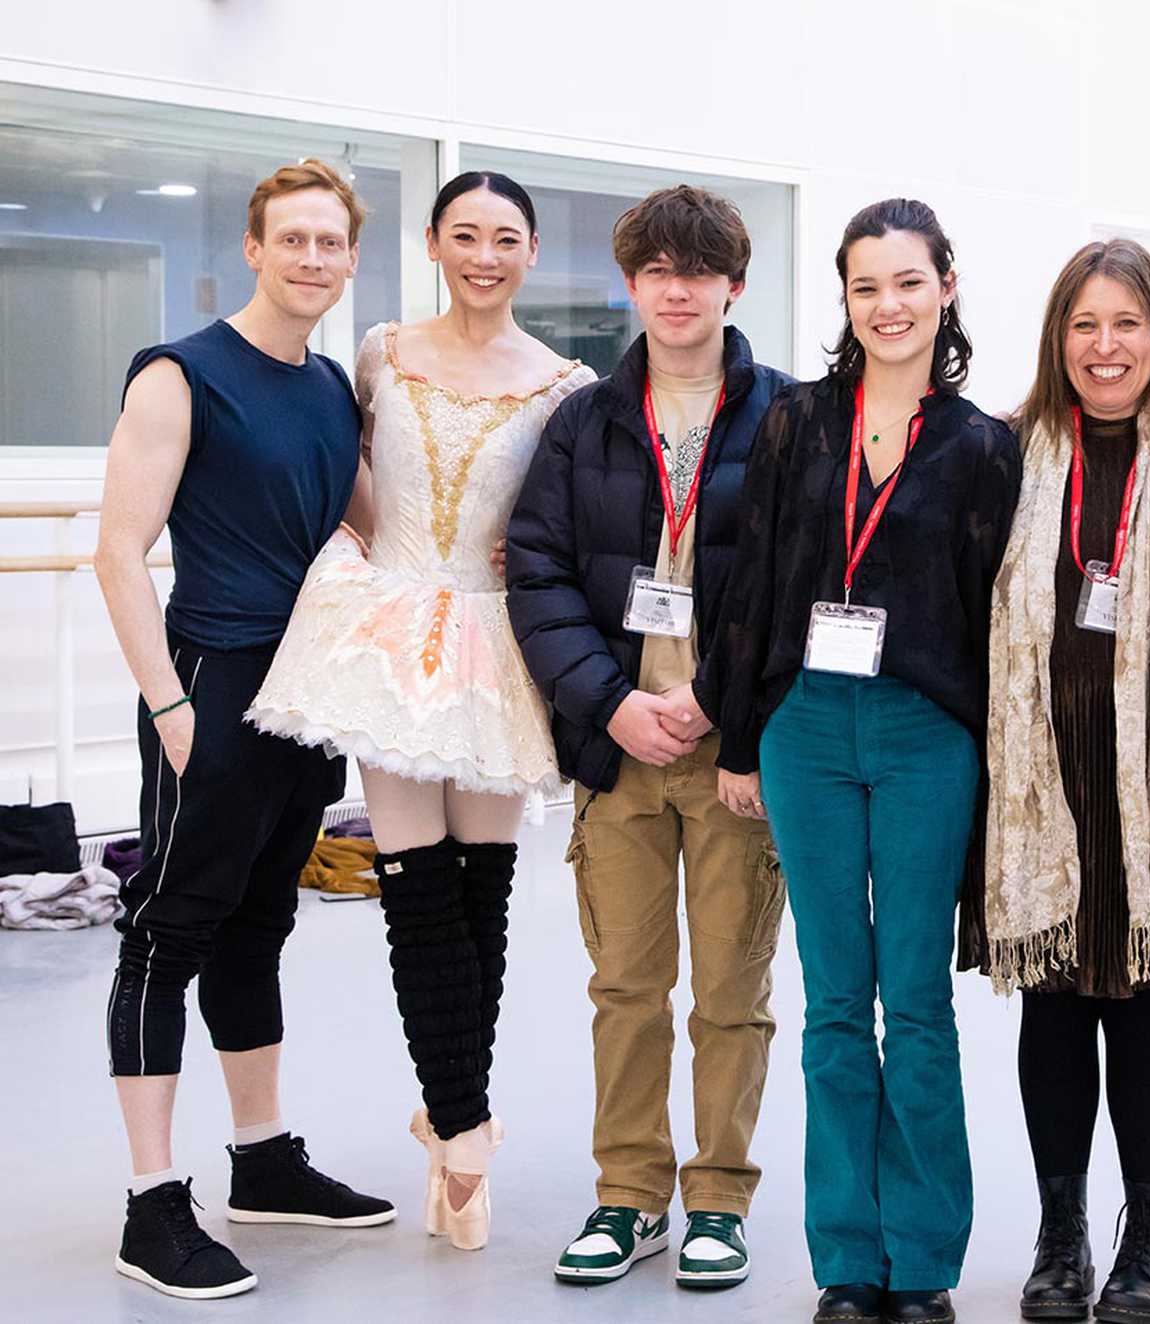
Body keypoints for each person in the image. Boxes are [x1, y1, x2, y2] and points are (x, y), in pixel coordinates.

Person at [244, 170, 590, 1250]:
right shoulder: (381, 351)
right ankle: (466, 1129)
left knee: (482, 892)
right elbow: (356, 477)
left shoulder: (566, 382)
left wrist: (521, 551)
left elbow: (569, 510)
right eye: (464, 234)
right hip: (391, 631)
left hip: (495, 640)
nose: (484, 254)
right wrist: (377, 556)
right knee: (415, 883)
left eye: (506, 237)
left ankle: (451, 1113)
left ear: (531, 252)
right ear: (433, 243)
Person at [701, 198, 1021, 1324]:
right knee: (836, 1000)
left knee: (917, 999)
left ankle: (924, 1258)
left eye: (907, 282)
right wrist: (740, 735)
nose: (888, 305)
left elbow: (996, 620)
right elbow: (750, 585)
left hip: (927, 732)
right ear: (845, 299)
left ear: (946, 286)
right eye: (865, 286)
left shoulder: (984, 445)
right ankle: (848, 1257)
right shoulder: (797, 422)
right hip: (806, 731)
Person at [93, 158, 394, 1301]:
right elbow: (119, 551)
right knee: (167, 928)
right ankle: (150, 1200)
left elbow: (388, 535)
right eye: (295, 240)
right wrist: (170, 705)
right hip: (212, 680)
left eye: (333, 243)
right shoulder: (182, 375)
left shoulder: (327, 389)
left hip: (307, 689)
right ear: (257, 249)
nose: (314, 258)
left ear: (351, 260)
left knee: (260, 924)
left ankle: (261, 1158)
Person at [505, 184, 793, 1289]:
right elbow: (535, 575)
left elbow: (799, 585)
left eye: (700, 270)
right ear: (633, 283)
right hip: (616, 754)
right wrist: (610, 701)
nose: (679, 290)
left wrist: (728, 710)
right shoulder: (582, 422)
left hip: (732, 759)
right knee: (625, 988)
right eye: (658, 271)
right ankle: (630, 1195)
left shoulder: (785, 417)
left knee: (732, 989)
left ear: (734, 284)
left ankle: (719, 1196)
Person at [961, 238, 1150, 1324]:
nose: (1105, 345)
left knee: (1142, 1002)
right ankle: (1061, 1231)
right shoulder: (1010, 453)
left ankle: (1148, 1235)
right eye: (1085, 324)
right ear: (1058, 339)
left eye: (1126, 323)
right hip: (1038, 769)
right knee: (1053, 1000)